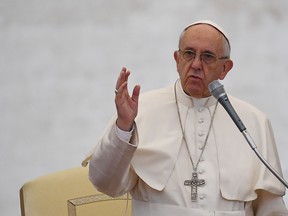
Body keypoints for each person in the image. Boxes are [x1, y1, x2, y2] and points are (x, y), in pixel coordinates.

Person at [83, 20, 288, 215]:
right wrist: (124, 126)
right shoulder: (140, 111)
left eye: (207, 56)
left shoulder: (253, 122)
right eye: (189, 53)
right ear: (177, 59)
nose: (196, 64)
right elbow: (104, 183)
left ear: (225, 68)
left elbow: (271, 209)